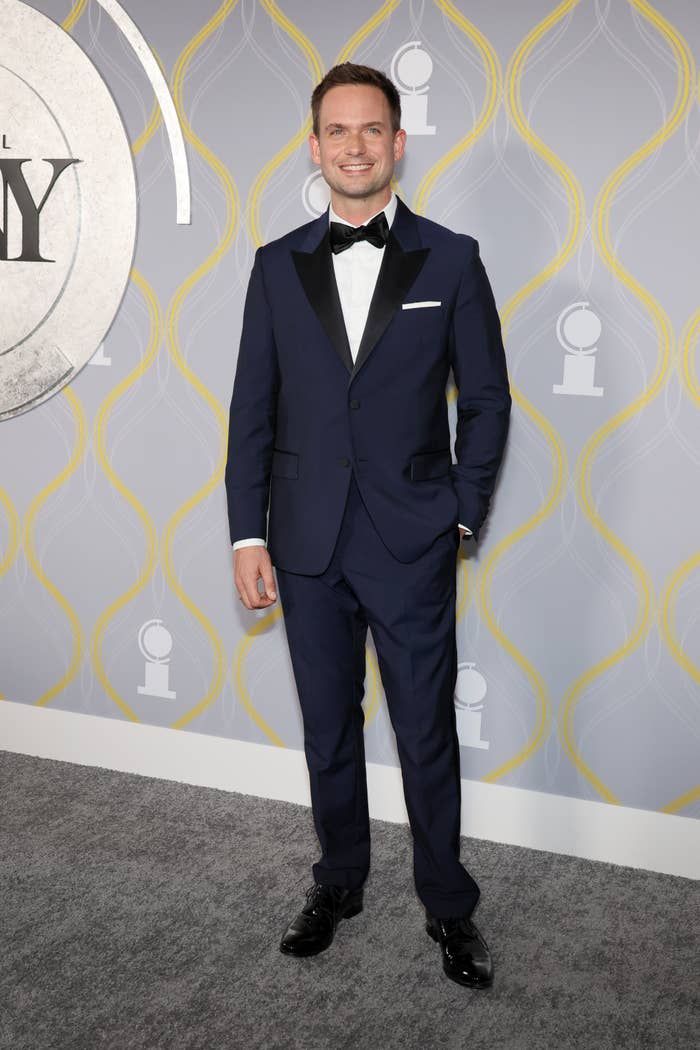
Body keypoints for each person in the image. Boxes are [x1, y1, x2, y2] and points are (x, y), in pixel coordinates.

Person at [225, 62, 511, 990]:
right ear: (315, 147)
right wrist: (246, 535)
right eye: (337, 131)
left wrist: (462, 514)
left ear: (398, 140)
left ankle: (448, 904)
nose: (355, 145)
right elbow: (252, 414)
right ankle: (338, 881)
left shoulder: (453, 258)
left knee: (425, 729)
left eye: (372, 129)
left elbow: (490, 401)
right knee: (327, 729)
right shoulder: (275, 267)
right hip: (303, 543)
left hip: (410, 538)